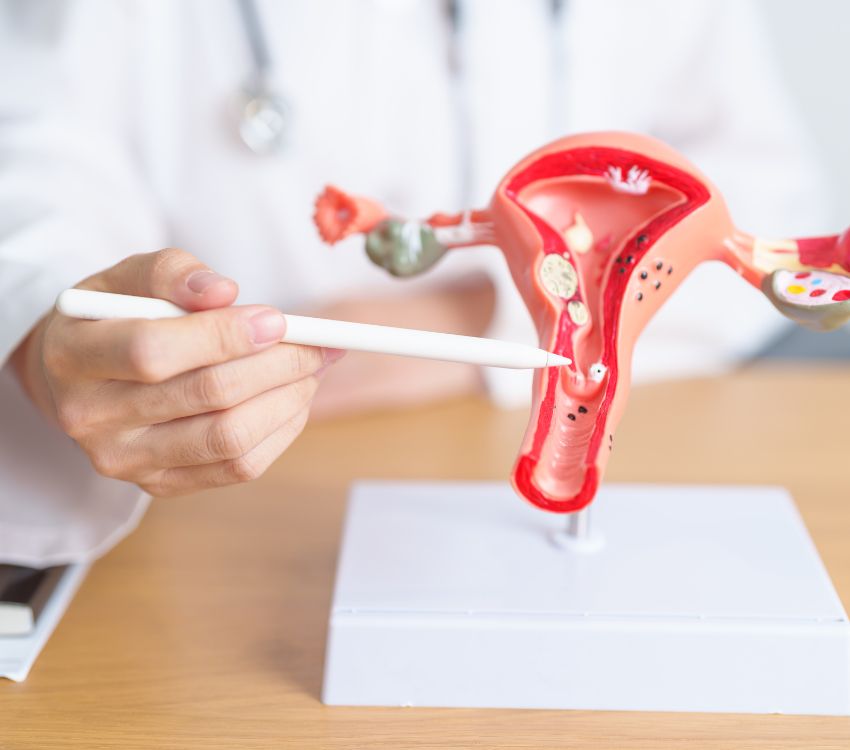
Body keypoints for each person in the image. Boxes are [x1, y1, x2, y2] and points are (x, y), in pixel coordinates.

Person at [0, 0, 827, 566]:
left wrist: (464, 322)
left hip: (496, 421)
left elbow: (766, 194)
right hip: (227, 520)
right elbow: (37, 167)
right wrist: (49, 343)